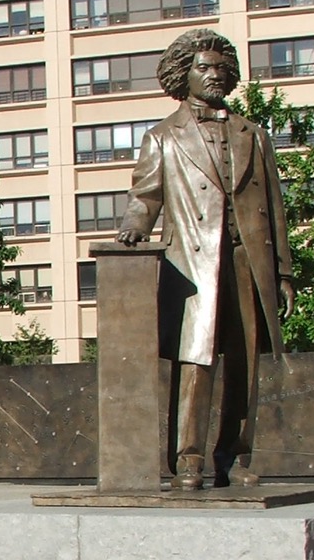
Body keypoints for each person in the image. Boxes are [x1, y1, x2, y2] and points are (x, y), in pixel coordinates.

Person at [116, 29, 292, 490]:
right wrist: (135, 226)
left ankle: (235, 455)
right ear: (183, 75)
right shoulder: (162, 137)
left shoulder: (253, 134)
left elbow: (274, 208)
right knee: (196, 361)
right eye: (203, 67)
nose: (214, 75)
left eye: (219, 67)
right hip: (193, 265)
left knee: (246, 364)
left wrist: (284, 273)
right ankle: (188, 457)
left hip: (247, 262)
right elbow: (145, 193)